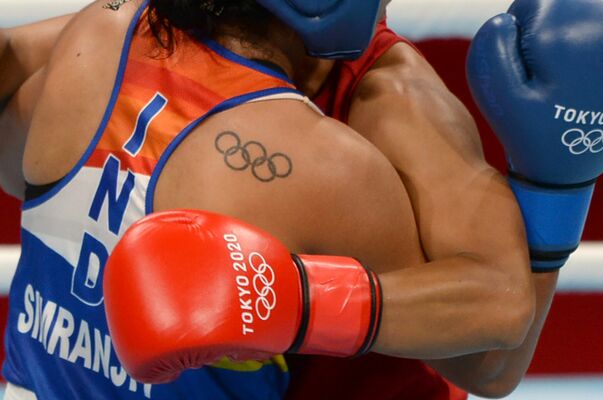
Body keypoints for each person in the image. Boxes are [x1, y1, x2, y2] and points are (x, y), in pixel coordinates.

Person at [0, 1, 540, 399]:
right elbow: (490, 359)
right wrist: (555, 182)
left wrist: (291, 301)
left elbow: (12, 163)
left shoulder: (98, 30)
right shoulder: (319, 163)